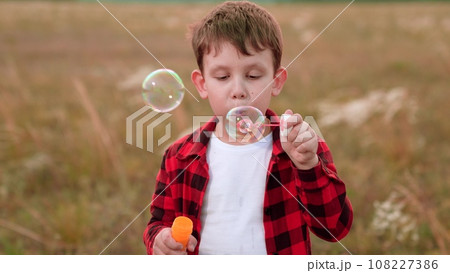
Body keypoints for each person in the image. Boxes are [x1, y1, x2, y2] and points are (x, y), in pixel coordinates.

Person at [143, 1, 352, 255]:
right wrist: (160, 240)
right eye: (222, 77)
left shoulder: (300, 147)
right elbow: (158, 222)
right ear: (202, 84)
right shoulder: (179, 157)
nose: (239, 91)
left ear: (276, 82)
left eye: (253, 76)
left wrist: (308, 165)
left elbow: (335, 228)